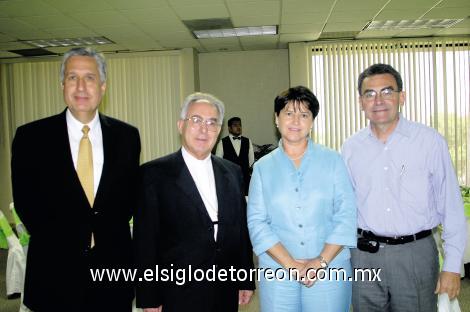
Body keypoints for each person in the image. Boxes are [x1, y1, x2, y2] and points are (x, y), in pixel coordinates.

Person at [10, 47, 141, 312]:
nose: (81, 86)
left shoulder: (127, 137)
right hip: (54, 276)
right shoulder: (31, 138)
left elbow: (127, 200)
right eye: (72, 77)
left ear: (103, 86)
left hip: (112, 277)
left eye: (89, 77)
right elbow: (27, 205)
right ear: (62, 85)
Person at [342, 63, 467, 312]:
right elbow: (344, 208)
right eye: (370, 94)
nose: (378, 100)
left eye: (387, 92)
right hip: (364, 256)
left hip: (415, 255)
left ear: (402, 96)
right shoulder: (351, 148)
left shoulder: (429, 142)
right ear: (360, 102)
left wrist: (452, 266)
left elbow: (451, 208)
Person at [135, 92, 255, 312]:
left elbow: (240, 231)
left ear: (218, 130)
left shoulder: (232, 172)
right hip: (177, 292)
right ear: (181, 125)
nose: (204, 129)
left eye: (212, 123)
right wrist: (149, 296)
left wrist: (245, 278)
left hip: (225, 289)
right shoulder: (154, 174)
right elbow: (145, 241)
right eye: (196, 120)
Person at [247, 86, 357, 312]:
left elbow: (346, 215)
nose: (296, 120)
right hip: (277, 270)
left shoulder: (333, 161)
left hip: (329, 269)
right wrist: (290, 264)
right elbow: (257, 223)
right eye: (288, 113)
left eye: (304, 114)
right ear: (276, 119)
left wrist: (320, 262)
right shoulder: (262, 168)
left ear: (312, 121)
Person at [215, 117, 255, 195]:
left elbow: (251, 162)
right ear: (229, 128)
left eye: (240, 125)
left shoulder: (247, 141)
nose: (238, 127)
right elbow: (218, 163)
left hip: (245, 181)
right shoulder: (222, 142)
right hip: (229, 181)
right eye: (235, 125)